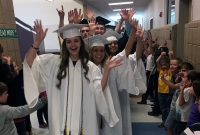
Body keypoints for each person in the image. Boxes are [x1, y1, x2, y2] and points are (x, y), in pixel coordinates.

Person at [23, 20, 120, 135]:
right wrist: (38, 41)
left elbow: (99, 90)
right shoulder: (53, 63)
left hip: (84, 123)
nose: (73, 45)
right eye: (68, 42)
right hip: (60, 122)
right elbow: (29, 63)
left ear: (81, 43)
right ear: (65, 44)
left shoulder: (91, 67)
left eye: (76, 41)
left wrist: (107, 71)